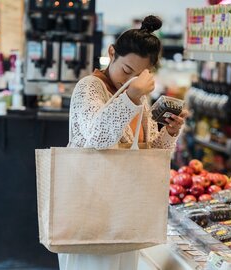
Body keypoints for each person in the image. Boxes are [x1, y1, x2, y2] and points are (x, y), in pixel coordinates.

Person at [58, 15, 188, 270]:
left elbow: (150, 156)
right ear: (111, 53)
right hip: (90, 214)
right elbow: (98, 139)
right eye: (126, 71)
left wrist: (170, 133)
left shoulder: (141, 99)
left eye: (139, 75)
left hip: (126, 215)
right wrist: (132, 94)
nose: (130, 80)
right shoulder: (90, 88)